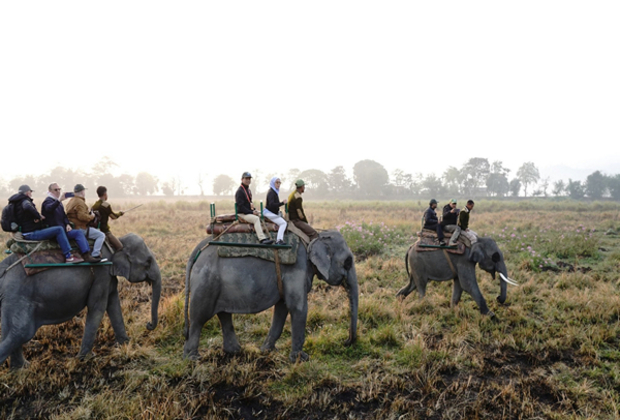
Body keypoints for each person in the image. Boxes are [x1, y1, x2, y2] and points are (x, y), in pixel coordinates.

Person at [9, 184, 80, 263]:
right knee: (59, 229)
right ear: (27, 192)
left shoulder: (17, 203)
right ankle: (68, 256)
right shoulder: (25, 201)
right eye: (30, 191)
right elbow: (28, 207)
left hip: (28, 231)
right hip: (30, 233)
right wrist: (38, 216)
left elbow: (25, 218)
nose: (31, 193)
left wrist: (35, 219)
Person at [42, 183, 101, 262]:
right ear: (50, 191)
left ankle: (86, 255)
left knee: (78, 233)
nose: (58, 191)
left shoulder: (58, 203)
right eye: (55, 190)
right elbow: (49, 209)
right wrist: (59, 200)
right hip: (55, 231)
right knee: (100, 235)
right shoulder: (47, 201)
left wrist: (67, 224)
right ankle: (69, 256)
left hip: (63, 230)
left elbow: (64, 216)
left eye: (59, 189)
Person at [65, 184, 107, 259]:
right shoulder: (80, 202)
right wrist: (92, 216)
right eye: (84, 191)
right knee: (101, 235)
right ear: (82, 192)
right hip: (80, 227)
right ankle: (96, 253)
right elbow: (81, 217)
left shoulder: (71, 201)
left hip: (73, 226)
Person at [235, 172, 273, 244]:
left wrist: (255, 210)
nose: (248, 180)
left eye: (249, 179)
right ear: (242, 179)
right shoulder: (240, 191)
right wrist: (252, 212)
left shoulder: (247, 190)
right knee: (256, 219)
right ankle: (262, 239)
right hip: (242, 213)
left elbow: (249, 204)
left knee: (260, 214)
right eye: (246, 178)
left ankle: (265, 235)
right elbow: (241, 207)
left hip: (247, 212)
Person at [91, 186, 124, 251]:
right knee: (120, 247)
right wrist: (120, 213)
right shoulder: (105, 205)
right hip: (105, 231)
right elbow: (113, 217)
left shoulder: (95, 205)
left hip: (95, 230)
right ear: (105, 194)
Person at [263, 177, 287, 245]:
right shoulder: (271, 192)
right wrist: (282, 203)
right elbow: (271, 205)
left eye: (279, 182)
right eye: (277, 182)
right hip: (268, 213)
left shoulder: (274, 192)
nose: (278, 184)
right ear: (273, 183)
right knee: (283, 223)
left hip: (271, 212)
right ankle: (279, 240)